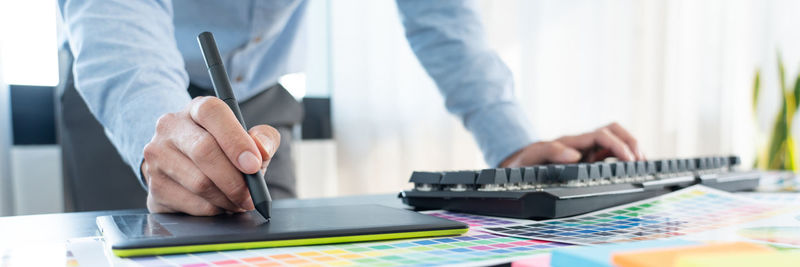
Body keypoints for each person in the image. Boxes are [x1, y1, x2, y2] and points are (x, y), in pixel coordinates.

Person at [57, 0, 644, 215]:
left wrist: (511, 142)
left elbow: (440, 15)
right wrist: (161, 124)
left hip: (259, 97)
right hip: (129, 93)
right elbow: (112, 13)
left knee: (267, 253)